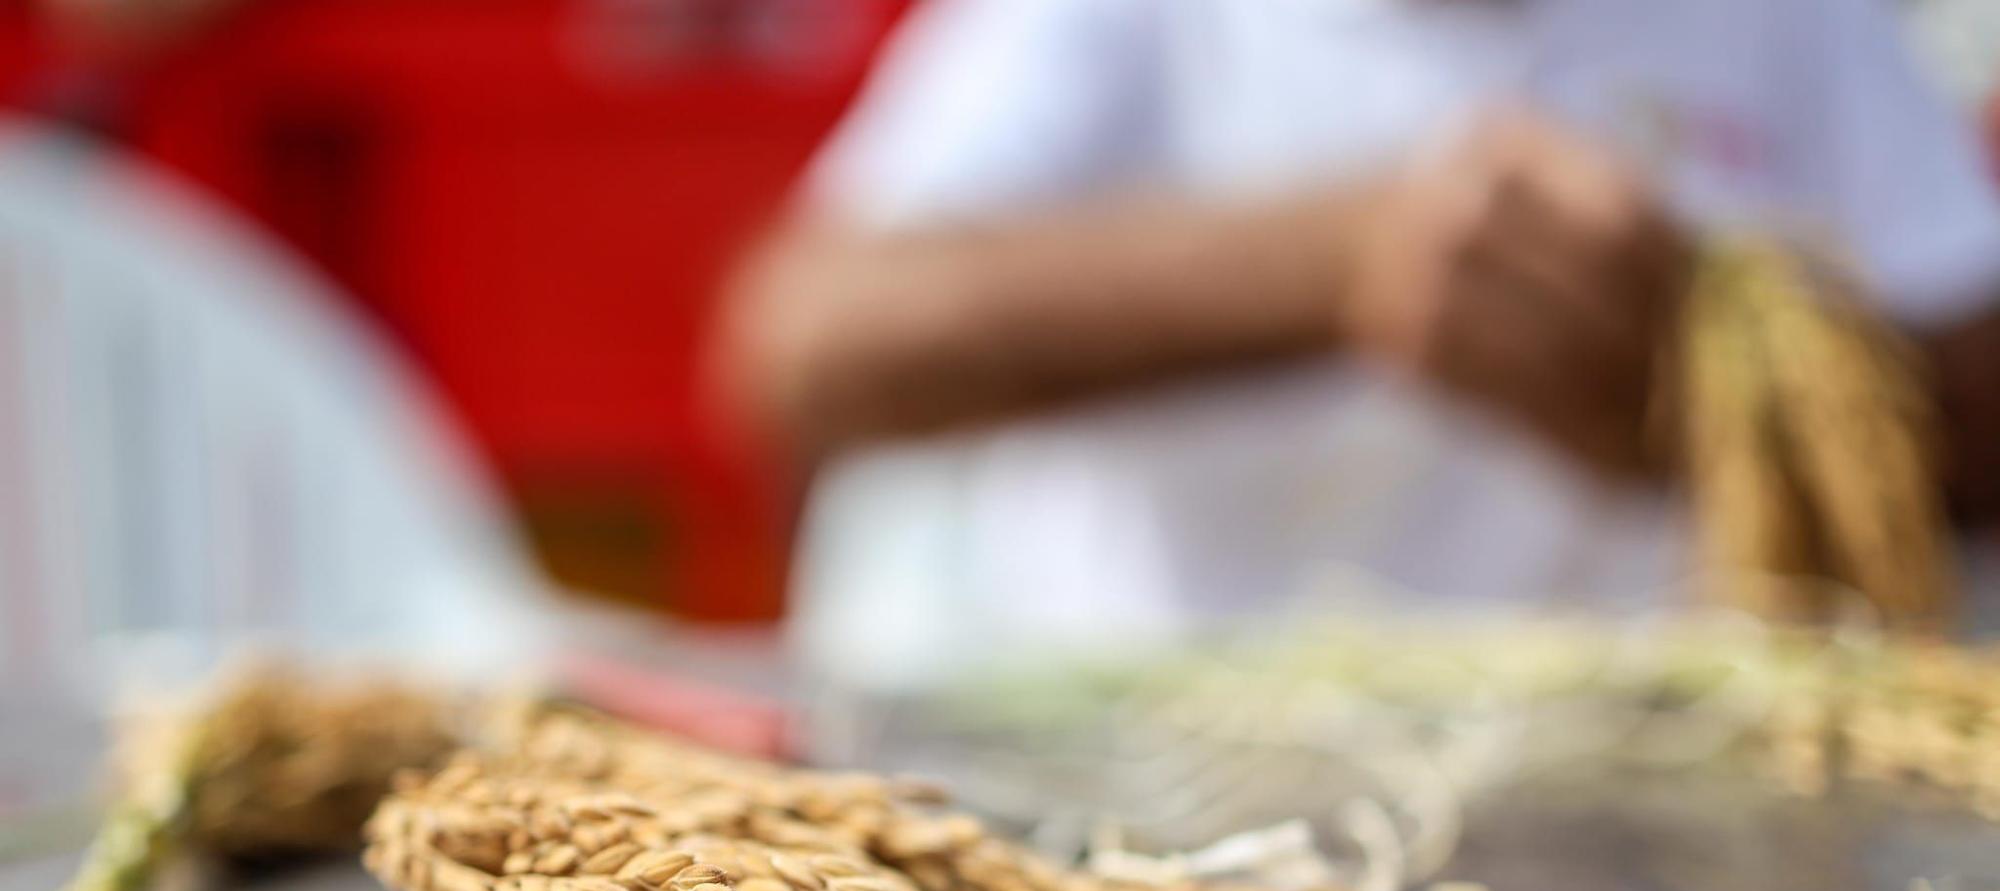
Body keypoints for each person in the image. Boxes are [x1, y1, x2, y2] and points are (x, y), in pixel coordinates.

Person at [722, 0, 2000, 687]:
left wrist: (1699, 411)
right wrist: (1341, 261)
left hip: (1638, 806)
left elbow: (1977, 413)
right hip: (1169, 795)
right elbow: (809, 340)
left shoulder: (1804, 22)